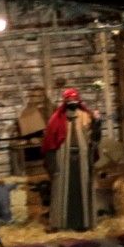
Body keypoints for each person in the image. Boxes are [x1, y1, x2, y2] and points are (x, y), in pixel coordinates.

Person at [41, 86, 97, 231]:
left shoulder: (86, 116)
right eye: (69, 99)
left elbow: (95, 138)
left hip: (82, 159)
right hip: (63, 159)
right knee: (59, 190)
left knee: (82, 189)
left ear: (78, 100)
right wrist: (51, 163)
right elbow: (49, 142)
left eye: (74, 99)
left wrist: (98, 122)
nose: (72, 102)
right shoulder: (57, 119)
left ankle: (82, 223)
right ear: (65, 101)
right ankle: (57, 223)